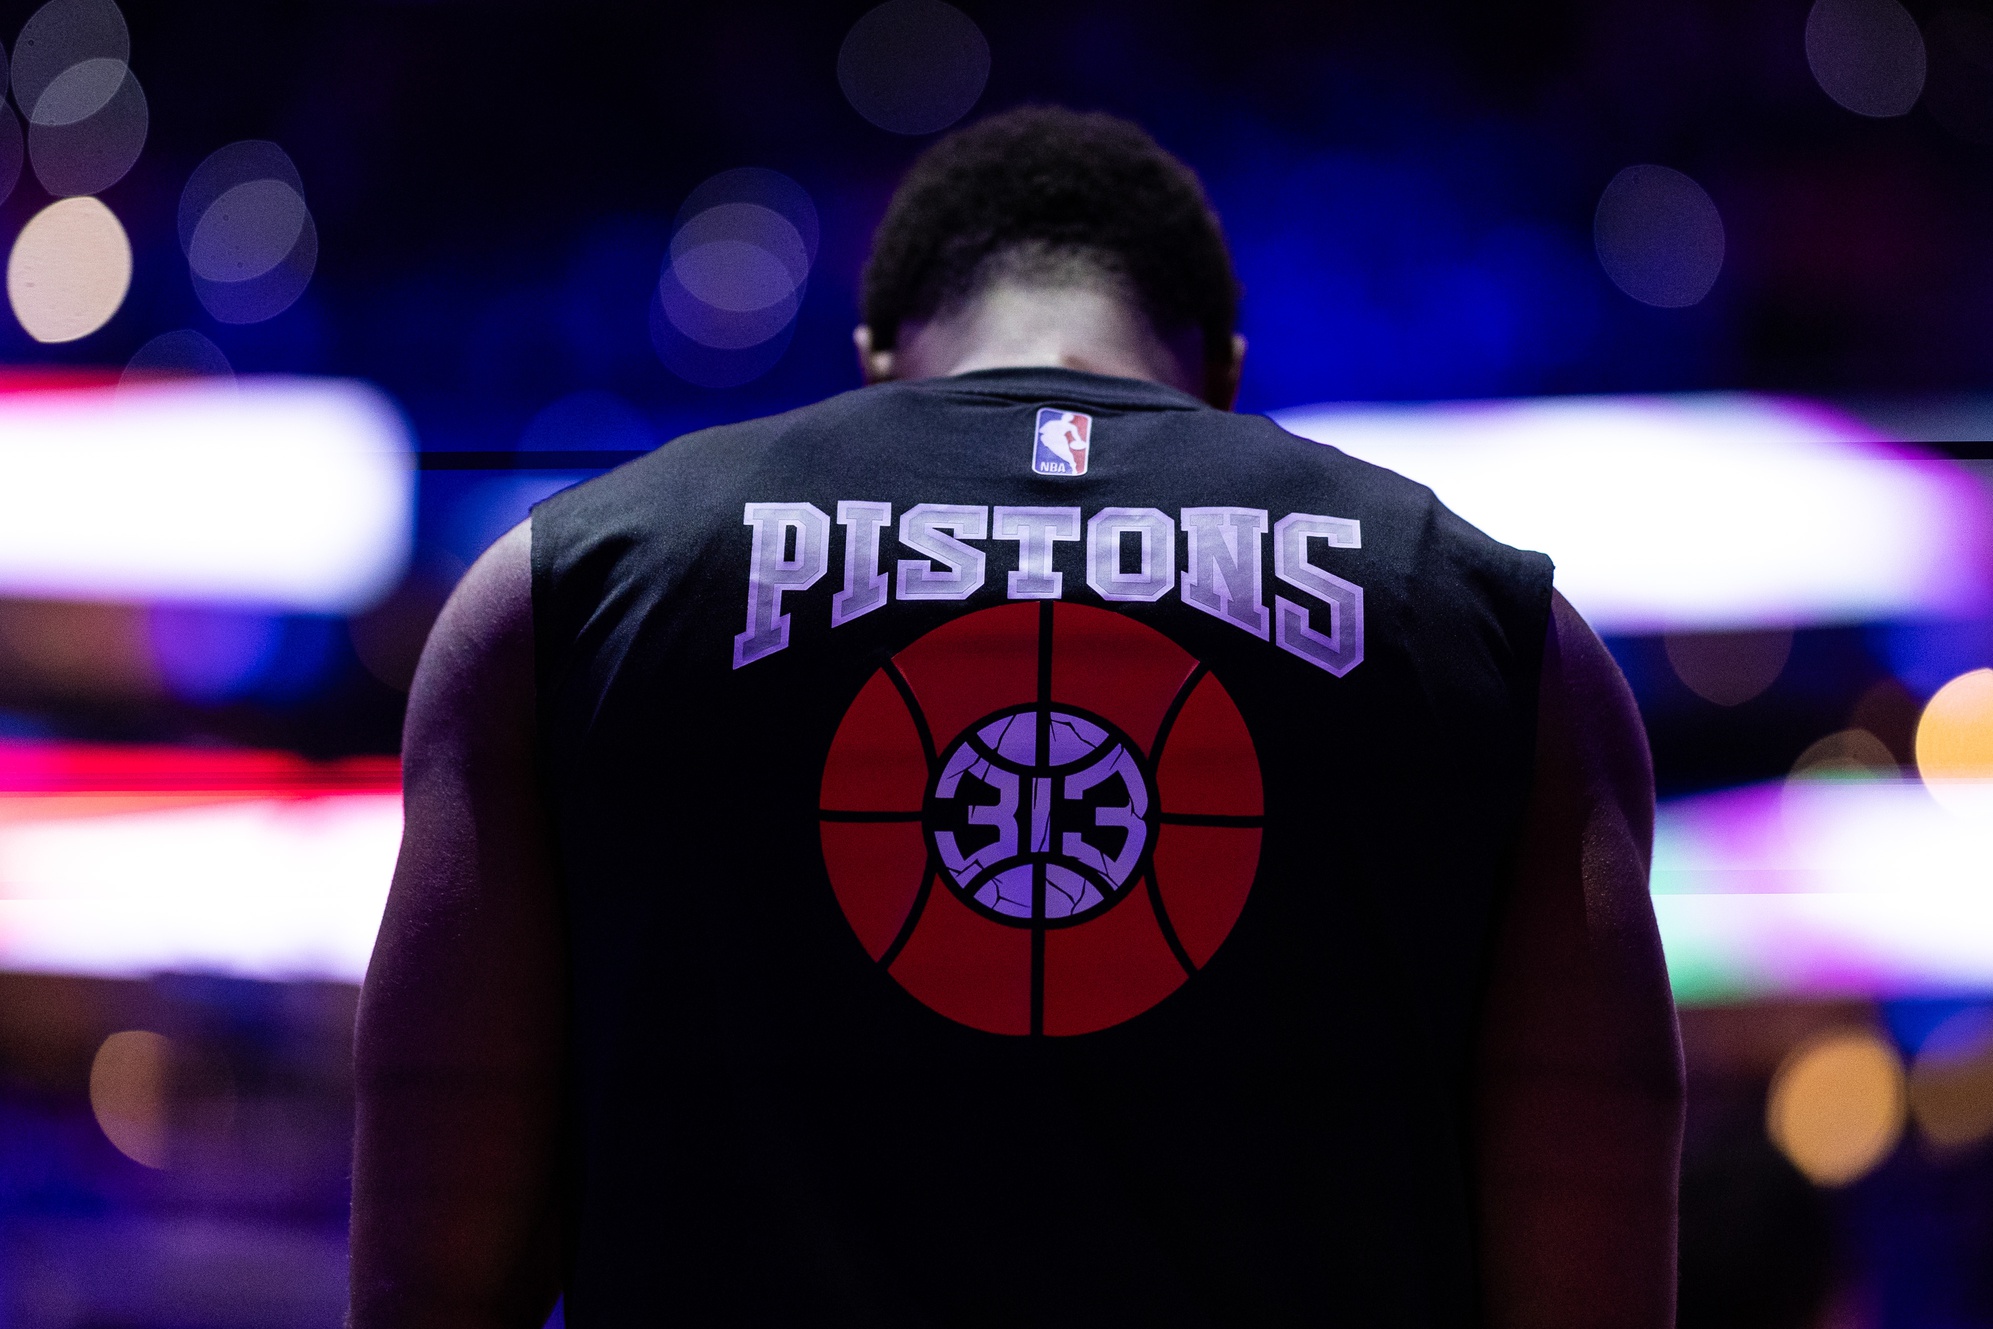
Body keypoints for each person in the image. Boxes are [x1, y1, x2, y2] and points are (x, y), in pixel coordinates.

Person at [350, 106, 1682, 1327]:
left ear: (876, 363)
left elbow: (435, 1277)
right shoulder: (1503, 636)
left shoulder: (559, 591)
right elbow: (1589, 1275)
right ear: (1221, 373)